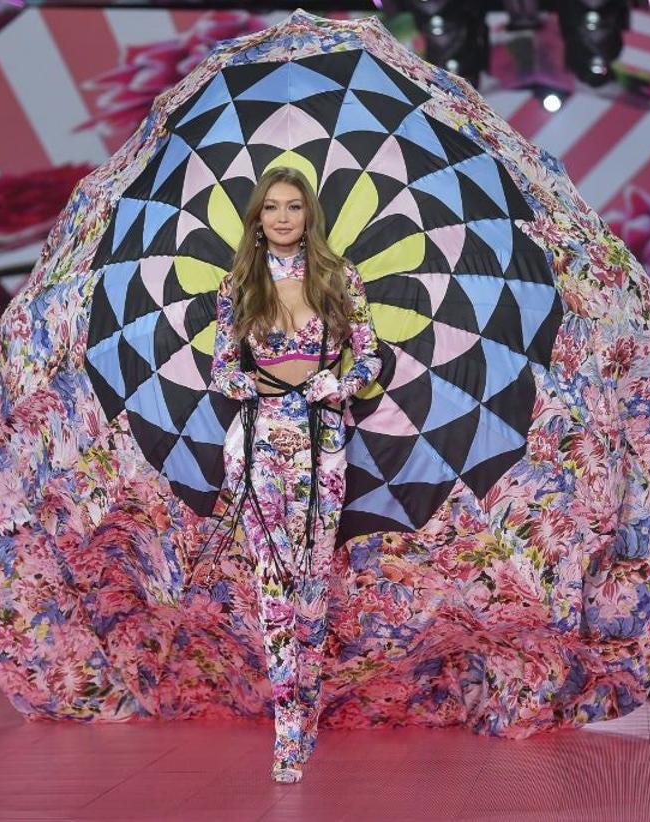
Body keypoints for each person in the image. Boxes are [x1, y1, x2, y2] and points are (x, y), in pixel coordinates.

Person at [208, 166, 381, 783]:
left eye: (293, 207)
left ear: (310, 216)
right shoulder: (235, 286)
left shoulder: (340, 277)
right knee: (270, 581)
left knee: (310, 581)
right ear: (256, 219)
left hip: (324, 443)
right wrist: (242, 383)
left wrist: (338, 384)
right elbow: (220, 370)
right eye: (271, 207)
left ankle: (305, 707)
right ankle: (286, 731)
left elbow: (373, 354)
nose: (282, 218)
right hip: (256, 444)